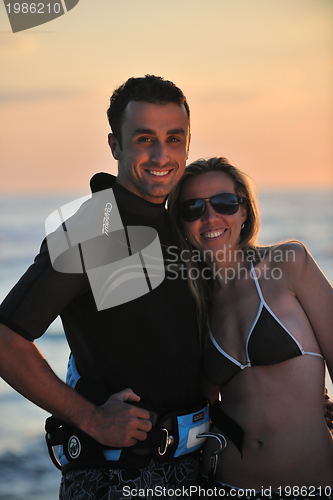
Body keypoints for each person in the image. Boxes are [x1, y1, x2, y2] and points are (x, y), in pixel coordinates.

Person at [0, 75, 209, 500]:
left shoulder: (181, 223)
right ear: (115, 146)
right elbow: (6, 340)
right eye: (144, 138)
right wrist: (93, 419)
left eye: (174, 139)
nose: (160, 155)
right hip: (119, 479)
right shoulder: (93, 230)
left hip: (192, 469)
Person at [168, 157, 333, 498]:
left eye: (225, 203)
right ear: (181, 224)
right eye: (193, 208)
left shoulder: (289, 264)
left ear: (244, 211)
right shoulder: (197, 305)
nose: (210, 216)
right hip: (226, 484)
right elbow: (203, 403)